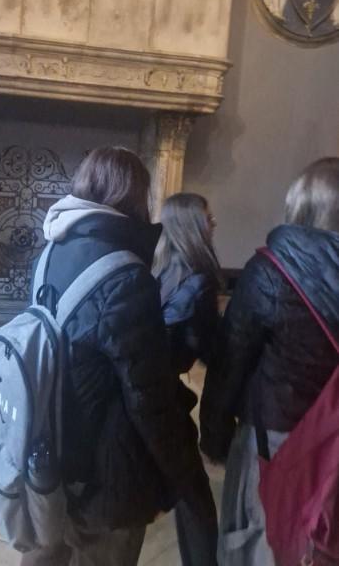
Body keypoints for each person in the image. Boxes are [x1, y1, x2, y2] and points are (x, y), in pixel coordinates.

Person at [22, 147, 208, 566]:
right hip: (104, 469)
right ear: (137, 195)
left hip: (47, 443)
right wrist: (181, 473)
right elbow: (148, 396)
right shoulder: (127, 275)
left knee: (47, 552)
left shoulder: (50, 252)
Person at [200, 157, 339, 566]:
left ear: (300, 205)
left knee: (259, 544)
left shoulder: (270, 271)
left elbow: (230, 363)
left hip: (274, 441)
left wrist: (214, 438)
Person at [154, 192, 221, 566]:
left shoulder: (157, 267)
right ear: (192, 226)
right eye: (208, 218)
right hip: (161, 398)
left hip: (151, 388)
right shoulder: (199, 280)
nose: (214, 223)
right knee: (195, 496)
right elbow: (209, 347)